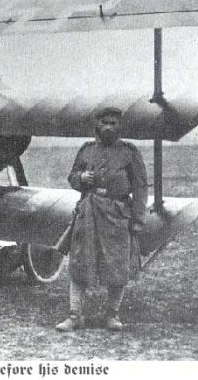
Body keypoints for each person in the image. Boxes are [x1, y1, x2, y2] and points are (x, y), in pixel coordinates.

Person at [56, 107, 148, 332]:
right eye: (104, 122)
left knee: (117, 264)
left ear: (120, 126)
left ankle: (112, 315)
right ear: (97, 126)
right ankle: (75, 315)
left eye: (113, 123)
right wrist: (81, 177)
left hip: (117, 215)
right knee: (79, 260)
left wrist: (137, 219)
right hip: (88, 212)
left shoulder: (129, 152)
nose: (108, 127)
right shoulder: (87, 150)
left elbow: (140, 186)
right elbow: (72, 177)